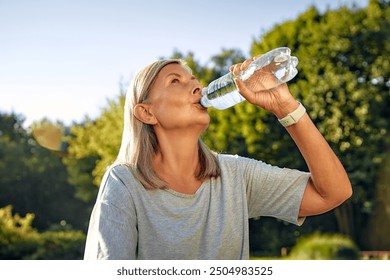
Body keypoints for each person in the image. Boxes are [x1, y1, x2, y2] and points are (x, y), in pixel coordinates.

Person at [83, 56, 352, 260]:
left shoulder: (235, 175)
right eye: (175, 81)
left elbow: (333, 193)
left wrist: (285, 107)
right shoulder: (123, 182)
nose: (197, 85)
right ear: (147, 113)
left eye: (193, 78)